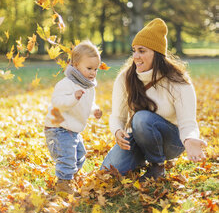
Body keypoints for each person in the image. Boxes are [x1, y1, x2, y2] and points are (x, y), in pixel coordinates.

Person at [101, 18, 207, 181]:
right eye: (134, 50)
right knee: (108, 173)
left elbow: (187, 122)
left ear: (157, 54)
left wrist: (190, 138)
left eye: (142, 51)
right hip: (139, 137)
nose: (135, 56)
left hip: (172, 141)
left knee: (142, 118)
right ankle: (142, 158)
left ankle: (157, 167)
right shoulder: (125, 78)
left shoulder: (177, 80)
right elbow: (117, 117)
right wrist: (117, 131)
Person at [44, 40, 102, 194]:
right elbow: (57, 102)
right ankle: (64, 184)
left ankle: (71, 177)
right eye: (89, 68)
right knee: (67, 157)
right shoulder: (66, 84)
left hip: (73, 128)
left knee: (80, 155)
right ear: (76, 65)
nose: (93, 73)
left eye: (95, 69)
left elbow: (89, 103)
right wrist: (73, 98)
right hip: (58, 127)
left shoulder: (88, 86)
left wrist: (95, 110)